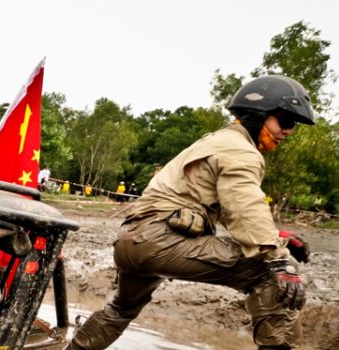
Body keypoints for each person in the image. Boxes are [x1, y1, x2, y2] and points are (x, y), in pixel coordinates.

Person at [68, 75, 315, 349]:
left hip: (132, 240)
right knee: (268, 273)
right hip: (163, 241)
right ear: (261, 113)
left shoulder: (215, 141)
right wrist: (279, 258)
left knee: (120, 310)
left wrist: (276, 235)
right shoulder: (242, 150)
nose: (288, 131)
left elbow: (222, 205)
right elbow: (245, 206)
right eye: (286, 122)